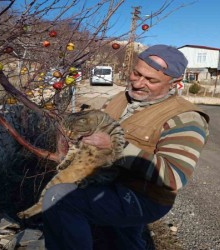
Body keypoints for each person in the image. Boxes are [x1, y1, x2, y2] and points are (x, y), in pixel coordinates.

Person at [41, 44, 210, 249]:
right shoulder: (119, 99)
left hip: (145, 198)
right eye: (136, 73)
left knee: (60, 199)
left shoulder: (186, 118)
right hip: (108, 183)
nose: (138, 83)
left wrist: (116, 146)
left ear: (174, 83)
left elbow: (174, 177)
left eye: (151, 80)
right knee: (121, 240)